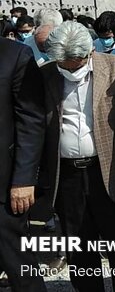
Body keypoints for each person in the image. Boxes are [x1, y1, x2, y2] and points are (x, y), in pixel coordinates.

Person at [39, 21, 115, 291]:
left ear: (89, 54)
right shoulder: (46, 75)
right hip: (67, 175)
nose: (70, 70)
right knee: (79, 247)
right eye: (64, 65)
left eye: (75, 64)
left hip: (105, 171)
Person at [0, 37, 47, 292]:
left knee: (18, 264)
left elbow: (31, 121)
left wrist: (24, 179)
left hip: (5, 185)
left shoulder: (16, 55)